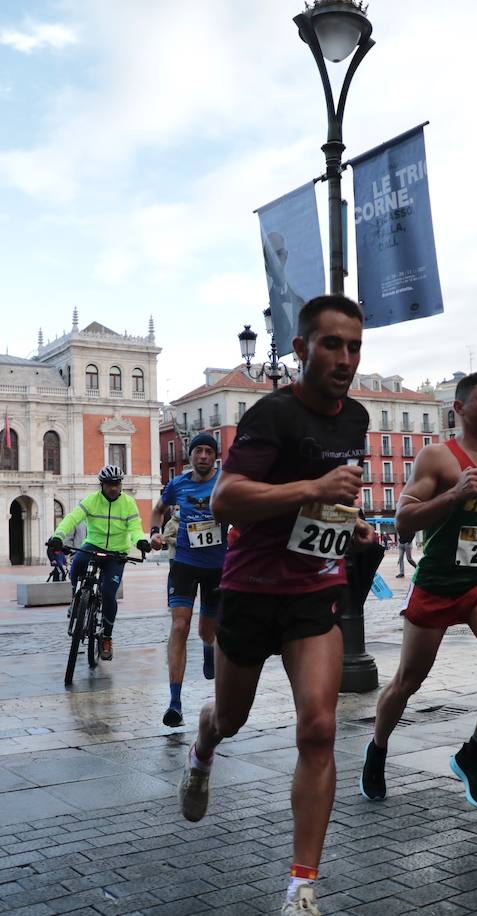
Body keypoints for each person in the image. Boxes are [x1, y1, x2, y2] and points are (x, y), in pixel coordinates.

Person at [179, 295, 373, 916]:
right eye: (332, 345)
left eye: (354, 347)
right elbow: (226, 499)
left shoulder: (357, 420)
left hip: (314, 589)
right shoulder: (271, 414)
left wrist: (349, 522)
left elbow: (326, 505)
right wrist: (314, 488)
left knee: (319, 727)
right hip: (251, 589)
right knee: (229, 719)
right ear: (300, 350)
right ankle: (201, 749)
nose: (345, 359)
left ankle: (301, 887)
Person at [361, 370, 477, 811]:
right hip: (437, 584)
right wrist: (453, 495)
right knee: (406, 683)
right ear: (459, 409)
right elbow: (403, 521)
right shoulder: (438, 457)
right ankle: (377, 749)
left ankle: (473, 754)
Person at [150, 432, 226, 727]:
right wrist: (154, 533)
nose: (203, 456)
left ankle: (208, 646)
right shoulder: (177, 484)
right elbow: (158, 510)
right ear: (191, 455)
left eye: (209, 451)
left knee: (208, 630)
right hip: (183, 562)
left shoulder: (224, 481)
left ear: (214, 456)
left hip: (216, 567)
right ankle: (175, 703)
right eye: (199, 451)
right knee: (179, 625)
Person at [47, 466, 151, 661]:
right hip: (93, 545)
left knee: (110, 592)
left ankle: (107, 637)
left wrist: (140, 541)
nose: (114, 488)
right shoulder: (91, 501)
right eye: (110, 484)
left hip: (117, 552)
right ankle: (76, 599)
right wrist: (58, 536)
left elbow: (135, 528)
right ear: (102, 485)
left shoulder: (129, 504)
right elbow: (71, 519)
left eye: (117, 484)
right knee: (78, 562)